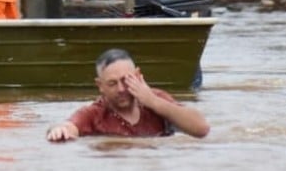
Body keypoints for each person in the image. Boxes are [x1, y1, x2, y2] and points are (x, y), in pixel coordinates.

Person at [46, 48, 210, 142]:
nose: (121, 89)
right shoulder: (94, 114)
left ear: (138, 75)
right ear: (100, 86)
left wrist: (153, 102)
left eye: (126, 80)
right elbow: (69, 126)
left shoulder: (155, 100)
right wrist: (59, 130)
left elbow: (201, 129)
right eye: (112, 83)